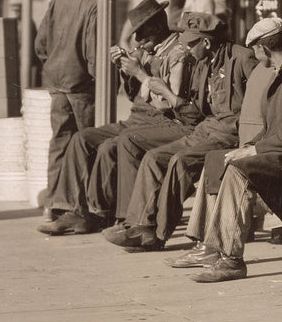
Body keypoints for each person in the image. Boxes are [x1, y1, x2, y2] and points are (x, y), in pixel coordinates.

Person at [176, 17, 282, 283]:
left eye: (256, 51)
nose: (256, 57)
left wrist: (254, 150)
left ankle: (231, 258)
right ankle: (207, 246)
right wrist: (248, 146)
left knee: (238, 170)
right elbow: (275, 128)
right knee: (217, 159)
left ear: (263, 48)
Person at [36, 0, 198, 235]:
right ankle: (73, 209)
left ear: (157, 28)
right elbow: (135, 97)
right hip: (138, 118)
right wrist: (126, 71)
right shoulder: (148, 51)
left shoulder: (177, 52)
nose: (140, 43)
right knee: (82, 139)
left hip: (162, 120)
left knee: (112, 146)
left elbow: (169, 103)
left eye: (143, 36)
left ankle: (118, 215)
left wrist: (140, 73)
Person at [103, 16, 257, 251]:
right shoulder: (203, 62)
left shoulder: (242, 58)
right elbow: (194, 111)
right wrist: (172, 98)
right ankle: (139, 225)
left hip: (230, 131)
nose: (186, 48)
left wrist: (249, 141)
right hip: (206, 127)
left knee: (180, 162)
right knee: (154, 157)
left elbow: (260, 102)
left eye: (191, 44)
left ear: (206, 43)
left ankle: (157, 234)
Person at [34, 0, 99, 208]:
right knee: (88, 144)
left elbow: (41, 45)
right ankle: (82, 206)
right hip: (82, 86)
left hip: (57, 82)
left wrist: (55, 66)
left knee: (60, 143)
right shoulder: (94, 2)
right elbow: (93, 53)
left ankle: (54, 205)